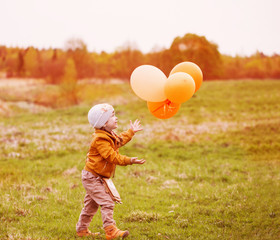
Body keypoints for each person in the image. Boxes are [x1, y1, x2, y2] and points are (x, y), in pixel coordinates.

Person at [76, 103, 146, 239]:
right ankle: (110, 230)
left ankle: (82, 230)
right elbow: (111, 156)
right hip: (92, 178)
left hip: (97, 176)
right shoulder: (100, 139)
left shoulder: (108, 134)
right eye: (112, 116)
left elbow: (118, 141)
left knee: (91, 206)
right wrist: (129, 160)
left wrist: (131, 132)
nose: (116, 118)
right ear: (103, 123)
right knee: (107, 202)